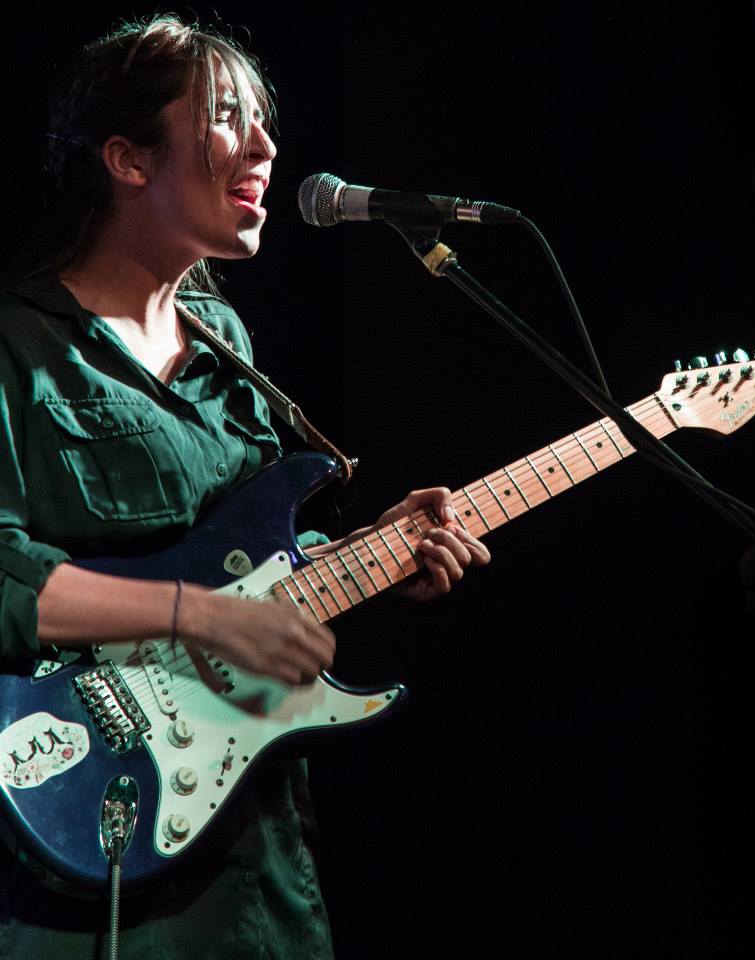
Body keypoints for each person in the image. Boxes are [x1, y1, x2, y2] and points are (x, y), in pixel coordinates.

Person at [0, 15, 489, 959]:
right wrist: (197, 615)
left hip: (256, 859)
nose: (265, 147)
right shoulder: (20, 347)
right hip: (91, 841)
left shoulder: (226, 344)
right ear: (127, 160)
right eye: (227, 118)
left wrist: (373, 553)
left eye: (263, 121)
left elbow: (247, 568)